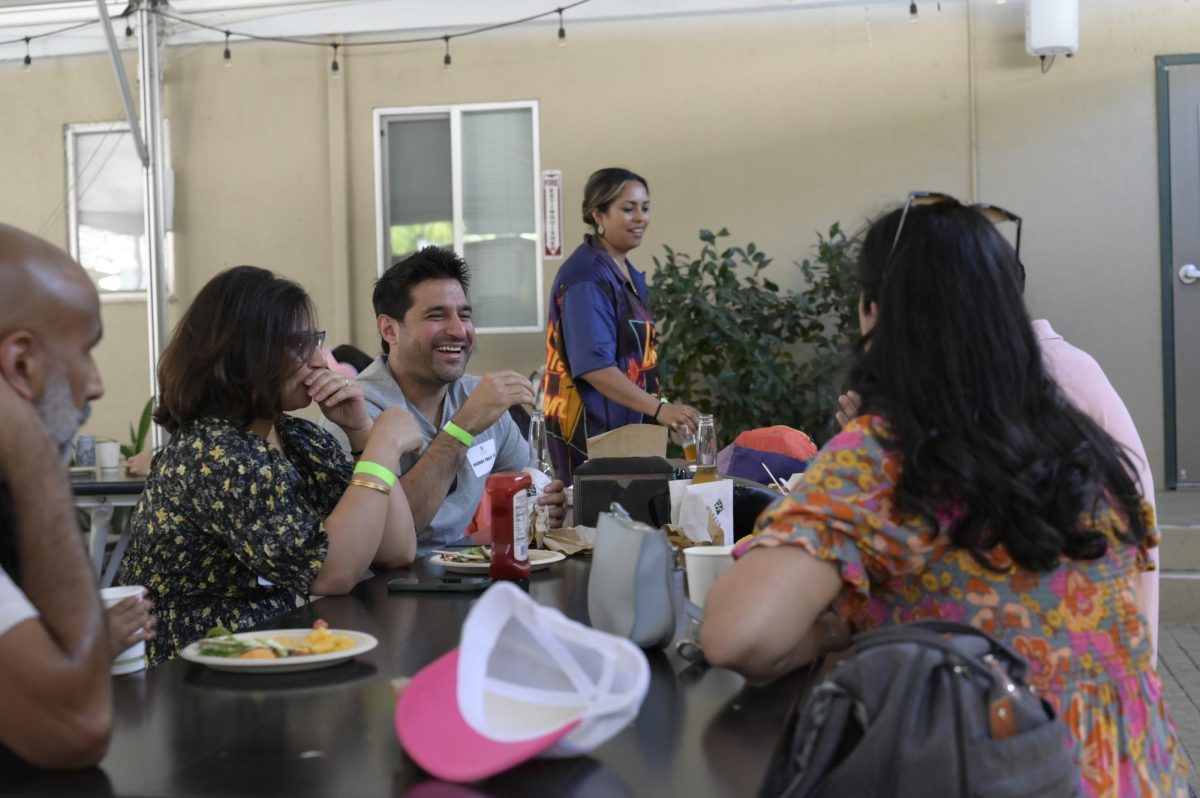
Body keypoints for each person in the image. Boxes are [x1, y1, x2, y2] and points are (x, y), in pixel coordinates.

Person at [701, 198, 1188, 796]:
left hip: (1001, 767)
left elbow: (734, 635)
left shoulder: (888, 452)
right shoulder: (1082, 442)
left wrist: (833, 630)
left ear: (875, 311)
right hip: (1137, 770)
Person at [119, 266, 423, 664]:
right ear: (246, 353)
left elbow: (396, 550)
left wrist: (363, 432)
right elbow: (330, 573)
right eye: (299, 345)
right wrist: (383, 447)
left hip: (269, 655)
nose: (318, 361)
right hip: (194, 673)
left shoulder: (297, 438)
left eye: (315, 342)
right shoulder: (212, 453)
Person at [0, 223, 150, 775]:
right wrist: (33, 451)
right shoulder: (23, 462)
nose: (96, 384)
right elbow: (76, 725)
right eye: (85, 351)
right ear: (20, 364)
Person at [327, 246, 565, 555]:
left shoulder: (476, 397)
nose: (458, 330)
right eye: (436, 316)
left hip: (455, 577)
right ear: (389, 329)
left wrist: (548, 505)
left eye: (464, 315)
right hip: (375, 591)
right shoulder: (354, 413)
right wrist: (463, 427)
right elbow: (391, 535)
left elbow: (530, 484)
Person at [542, 168, 699, 482]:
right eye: (628, 209)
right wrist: (658, 409)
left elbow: (638, 363)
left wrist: (664, 407)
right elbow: (595, 367)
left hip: (629, 427)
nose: (640, 217)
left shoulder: (624, 270)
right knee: (598, 527)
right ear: (597, 213)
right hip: (593, 432)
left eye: (645, 207)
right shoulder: (586, 276)